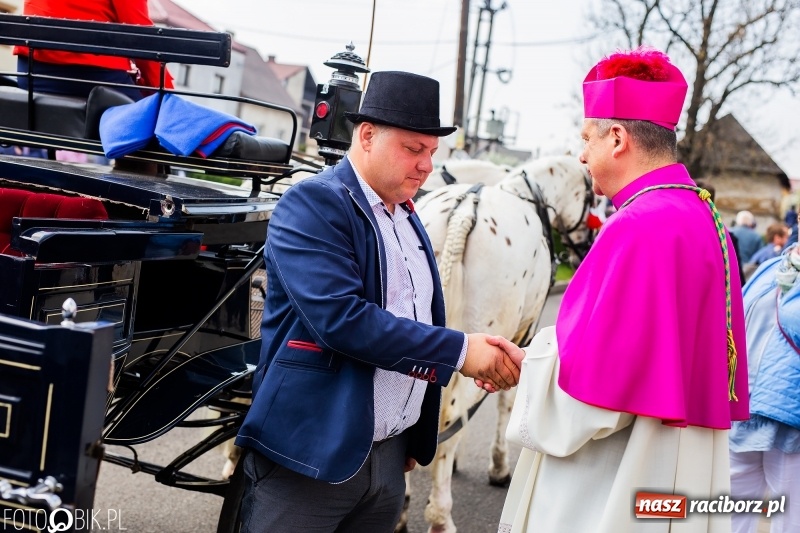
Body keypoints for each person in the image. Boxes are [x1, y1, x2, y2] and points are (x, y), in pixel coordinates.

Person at [234, 71, 522, 533]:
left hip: (389, 461)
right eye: (413, 149)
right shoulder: (313, 204)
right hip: (311, 454)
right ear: (366, 135)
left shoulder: (408, 217)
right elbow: (342, 320)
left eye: (432, 152)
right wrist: (464, 353)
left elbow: (417, 319)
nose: (427, 166)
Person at [491, 47, 749, 532]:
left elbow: (592, 396)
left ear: (618, 138)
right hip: (680, 470)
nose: (581, 154)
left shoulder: (638, 225)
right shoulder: (705, 217)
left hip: (617, 474)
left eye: (586, 138)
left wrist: (530, 366)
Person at [729, 245, 800, 533]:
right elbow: (735, 314)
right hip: (742, 410)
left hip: (790, 418)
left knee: (791, 519)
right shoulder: (772, 266)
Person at [13, 0, 174, 101]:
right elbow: (139, 33)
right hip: (94, 76)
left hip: (32, 73)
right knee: (149, 127)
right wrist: (164, 92)